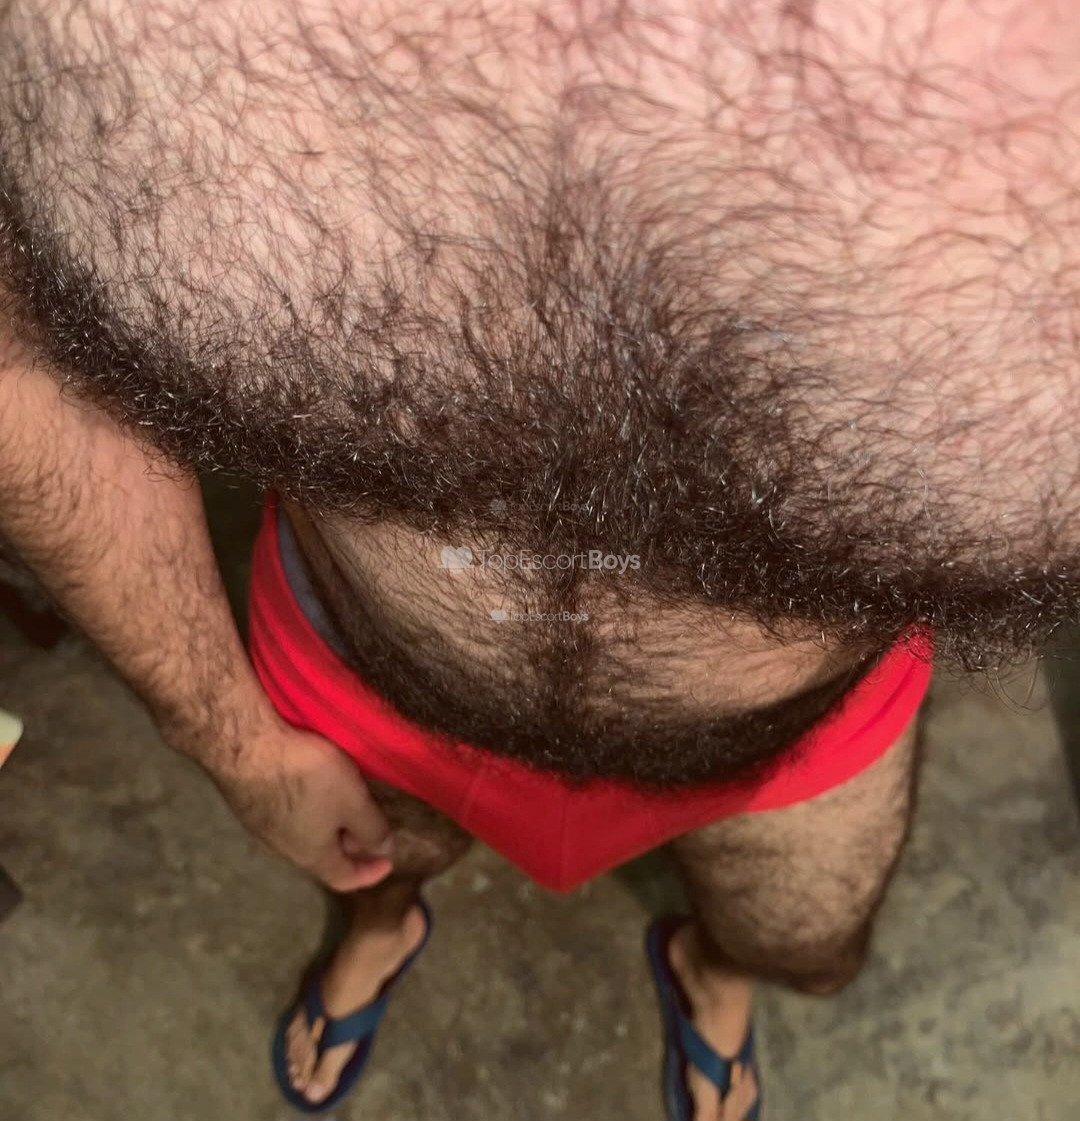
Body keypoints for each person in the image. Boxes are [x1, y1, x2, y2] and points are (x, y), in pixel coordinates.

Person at [0, 3, 1077, 1118]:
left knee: (804, 950)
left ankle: (711, 971)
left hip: (801, 736)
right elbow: (21, 362)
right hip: (358, 666)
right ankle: (385, 926)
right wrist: (230, 735)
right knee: (374, 866)